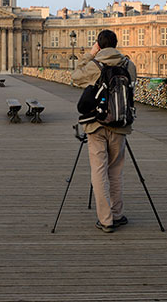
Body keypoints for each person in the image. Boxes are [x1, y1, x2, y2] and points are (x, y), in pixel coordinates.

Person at [71, 29, 137, 233]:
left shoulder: (94, 65)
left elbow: (74, 77)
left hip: (96, 124)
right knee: (116, 172)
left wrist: (90, 55)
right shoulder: (128, 64)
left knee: (99, 172)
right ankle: (117, 214)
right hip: (120, 124)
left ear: (98, 45)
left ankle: (106, 219)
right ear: (116, 44)